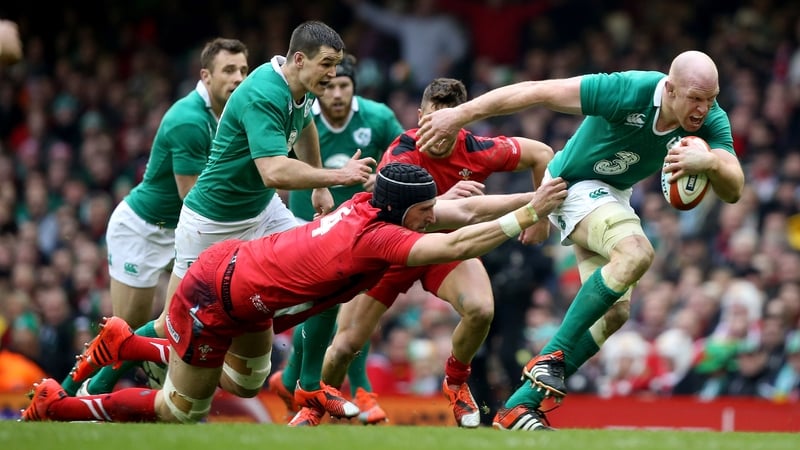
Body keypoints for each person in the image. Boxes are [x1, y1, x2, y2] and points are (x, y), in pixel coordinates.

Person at [20, 162, 568, 424]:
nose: (430, 216)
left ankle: (128, 344)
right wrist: (526, 214)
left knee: (251, 378)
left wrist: (539, 194)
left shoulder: (370, 205)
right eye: (424, 211)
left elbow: (463, 211)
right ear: (404, 213)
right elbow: (457, 237)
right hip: (218, 296)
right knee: (183, 409)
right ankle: (60, 408)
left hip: (247, 280)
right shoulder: (377, 241)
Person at [416, 50, 745, 430]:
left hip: (611, 195)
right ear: (669, 89)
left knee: (616, 313)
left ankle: (518, 407)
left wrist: (711, 163)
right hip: (569, 185)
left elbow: (734, 188)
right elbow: (538, 91)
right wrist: (459, 114)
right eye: (695, 98)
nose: (704, 108)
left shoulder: (709, 119)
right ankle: (549, 358)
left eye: (712, 98)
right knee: (636, 251)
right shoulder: (628, 90)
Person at [61, 21, 376, 409]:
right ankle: (84, 388)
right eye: (327, 64)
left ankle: (305, 382)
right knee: (169, 326)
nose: (333, 74)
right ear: (298, 59)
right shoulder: (260, 95)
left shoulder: (302, 86)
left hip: (261, 212)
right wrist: (339, 175)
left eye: (336, 66)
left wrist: (320, 185)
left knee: (328, 272)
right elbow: (274, 171)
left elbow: (306, 124)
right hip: (210, 224)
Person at [319, 77, 554, 428]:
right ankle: (315, 407)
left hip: (444, 250)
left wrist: (542, 219)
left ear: (463, 120)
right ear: (419, 116)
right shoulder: (402, 151)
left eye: (450, 120)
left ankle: (456, 382)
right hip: (391, 251)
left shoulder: (479, 149)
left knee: (480, 310)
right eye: (432, 120)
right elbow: (388, 208)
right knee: (344, 346)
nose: (439, 131)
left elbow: (543, 154)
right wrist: (443, 200)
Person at [59, 37, 250, 397]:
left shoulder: (231, 115)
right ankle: (72, 394)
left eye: (243, 69)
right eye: (229, 70)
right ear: (206, 76)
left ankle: (146, 383)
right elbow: (194, 200)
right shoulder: (189, 120)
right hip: (144, 229)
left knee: (170, 325)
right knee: (126, 328)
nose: (239, 78)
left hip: (183, 231)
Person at [269, 54, 404, 425]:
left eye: (345, 86)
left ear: (354, 88)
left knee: (350, 307)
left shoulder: (377, 118)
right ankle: (340, 387)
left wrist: (386, 178)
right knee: (318, 306)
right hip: (307, 220)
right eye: (329, 86)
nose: (338, 94)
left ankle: (305, 379)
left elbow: (407, 157)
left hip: (362, 229)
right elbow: (277, 163)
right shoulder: (301, 115)